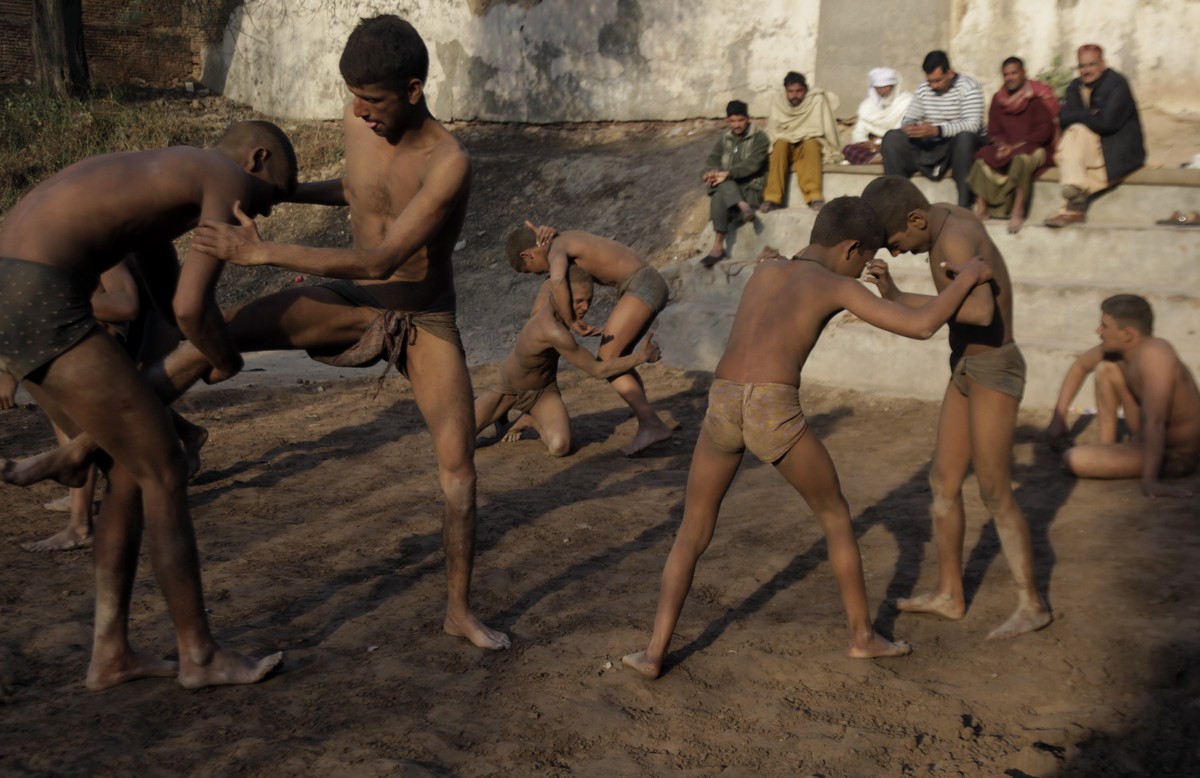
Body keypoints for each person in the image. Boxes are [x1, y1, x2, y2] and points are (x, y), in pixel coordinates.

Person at [3, 16, 511, 652]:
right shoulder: (360, 122)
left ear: (413, 90)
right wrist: (282, 193)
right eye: (353, 97)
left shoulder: (449, 162)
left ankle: (458, 610)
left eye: (374, 100)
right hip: (346, 299)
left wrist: (264, 251)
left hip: (424, 314)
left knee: (458, 470)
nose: (359, 111)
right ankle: (83, 448)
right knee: (214, 339)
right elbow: (356, 191)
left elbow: (382, 260)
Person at [622, 196, 997, 679]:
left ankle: (653, 651)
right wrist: (967, 277)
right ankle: (862, 636)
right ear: (851, 247)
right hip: (770, 407)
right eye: (863, 260)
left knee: (692, 531)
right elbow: (922, 325)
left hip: (721, 400)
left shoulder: (765, 273)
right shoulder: (833, 285)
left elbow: (787, 274)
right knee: (836, 516)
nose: (861, 269)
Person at [0, 119, 298, 690]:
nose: (259, 218)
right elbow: (191, 310)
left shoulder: (163, 184)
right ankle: (200, 656)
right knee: (165, 466)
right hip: (41, 292)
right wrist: (224, 358)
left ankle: (111, 652)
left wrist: (203, 351)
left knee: (131, 473)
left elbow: (167, 303)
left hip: (18, 288)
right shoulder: (221, 173)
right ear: (256, 159)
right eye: (268, 200)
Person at [860, 175, 1052, 640]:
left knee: (994, 492)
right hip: (965, 368)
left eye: (897, 243)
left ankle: (1033, 604)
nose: (898, 252)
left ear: (916, 219)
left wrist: (905, 302)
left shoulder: (956, 237)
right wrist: (898, 296)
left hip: (993, 371)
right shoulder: (941, 215)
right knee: (943, 482)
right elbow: (956, 299)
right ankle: (951, 594)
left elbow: (981, 311)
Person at [505, 222, 674, 455]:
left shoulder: (556, 250)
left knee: (607, 359)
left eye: (532, 269)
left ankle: (651, 424)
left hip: (642, 285)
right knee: (618, 357)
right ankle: (647, 420)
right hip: (644, 283)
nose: (540, 273)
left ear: (528, 254)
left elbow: (555, 281)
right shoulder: (562, 239)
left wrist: (571, 320)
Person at [474, 266, 662, 456]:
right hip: (508, 388)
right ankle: (491, 409)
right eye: (579, 301)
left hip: (543, 391)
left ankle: (529, 419)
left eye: (589, 300)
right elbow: (597, 370)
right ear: (561, 295)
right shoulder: (552, 330)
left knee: (560, 447)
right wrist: (642, 357)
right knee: (459, 440)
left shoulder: (552, 290)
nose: (586, 307)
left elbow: (556, 271)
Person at [1045, 295, 1198, 498]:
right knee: (1107, 369)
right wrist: (1059, 417)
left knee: (1073, 459)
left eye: (1104, 326)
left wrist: (1150, 482)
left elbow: (1156, 421)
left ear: (1128, 333)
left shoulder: (1156, 355)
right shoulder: (1124, 349)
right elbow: (1080, 366)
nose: (1098, 332)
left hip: (1173, 454)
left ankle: (1123, 459)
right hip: (1144, 438)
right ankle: (1107, 447)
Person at [1044, 44, 1145, 228]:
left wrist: (1082, 116)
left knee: (1076, 133)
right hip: (1089, 146)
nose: (1086, 70)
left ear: (1103, 64)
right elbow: (1064, 118)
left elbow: (1108, 123)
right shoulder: (1076, 86)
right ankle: (1074, 196)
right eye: (1082, 66)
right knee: (1076, 131)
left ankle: (1071, 203)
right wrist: (1091, 114)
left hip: (1118, 149)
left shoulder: (1117, 84)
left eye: (1091, 65)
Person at [881, 51, 985, 208]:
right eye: (930, 81)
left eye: (938, 81)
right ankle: (897, 202)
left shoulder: (968, 87)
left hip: (957, 144)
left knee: (965, 138)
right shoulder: (924, 89)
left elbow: (972, 125)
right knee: (892, 138)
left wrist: (938, 130)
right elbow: (909, 117)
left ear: (949, 73)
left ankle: (965, 205)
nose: (933, 86)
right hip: (932, 143)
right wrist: (911, 127)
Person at [967, 57, 1058, 234]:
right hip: (1005, 147)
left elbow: (1044, 131)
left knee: (1021, 160)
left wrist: (1014, 147)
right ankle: (982, 207)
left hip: (1032, 147)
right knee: (981, 157)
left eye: (1014, 73)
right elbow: (993, 130)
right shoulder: (998, 99)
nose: (1010, 78)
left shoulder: (1036, 98)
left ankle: (1018, 209)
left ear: (1023, 73)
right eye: (1006, 74)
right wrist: (1001, 145)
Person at [759, 71, 842, 213]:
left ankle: (814, 196)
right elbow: (774, 130)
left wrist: (835, 149)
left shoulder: (816, 99)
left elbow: (827, 127)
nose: (794, 95)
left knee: (811, 144)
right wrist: (789, 137)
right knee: (780, 145)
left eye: (798, 91)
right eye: (790, 91)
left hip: (809, 140)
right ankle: (772, 198)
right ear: (785, 91)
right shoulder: (778, 102)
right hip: (785, 140)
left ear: (805, 89)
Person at [700, 99, 769, 267]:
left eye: (740, 120)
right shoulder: (725, 139)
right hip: (734, 198)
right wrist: (708, 173)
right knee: (719, 189)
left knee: (720, 187)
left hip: (751, 190)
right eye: (732, 121)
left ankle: (717, 247)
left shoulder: (759, 138)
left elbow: (753, 164)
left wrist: (728, 173)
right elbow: (711, 160)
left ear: (748, 119)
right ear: (727, 121)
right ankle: (741, 207)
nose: (736, 125)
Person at [842, 67, 913, 165]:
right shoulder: (867, 107)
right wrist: (866, 143)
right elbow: (859, 132)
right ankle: (874, 160)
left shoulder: (906, 102)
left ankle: (875, 160)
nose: (881, 91)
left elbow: (902, 131)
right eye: (878, 88)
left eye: (885, 87)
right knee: (848, 149)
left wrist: (880, 144)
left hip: (894, 145)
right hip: (872, 149)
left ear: (894, 87)